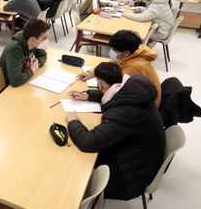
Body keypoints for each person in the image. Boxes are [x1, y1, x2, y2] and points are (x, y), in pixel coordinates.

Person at [66, 62, 165, 201]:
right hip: (142, 156)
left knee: (72, 160)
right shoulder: (133, 89)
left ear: (100, 85)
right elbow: (117, 97)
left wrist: (73, 121)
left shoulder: (124, 113)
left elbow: (88, 142)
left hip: (130, 175)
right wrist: (88, 96)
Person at [78, 30, 162, 107]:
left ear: (126, 53)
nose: (112, 52)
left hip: (145, 106)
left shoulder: (134, 67)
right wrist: (91, 73)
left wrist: (89, 95)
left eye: (114, 50)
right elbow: (110, 64)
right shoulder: (133, 51)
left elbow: (118, 93)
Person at [0, 18, 50, 87]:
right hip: (7, 89)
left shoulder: (32, 42)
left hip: (23, 82)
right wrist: (32, 70)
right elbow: (15, 81)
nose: (46, 42)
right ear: (33, 39)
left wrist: (36, 64)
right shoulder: (14, 49)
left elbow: (43, 55)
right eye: (44, 39)